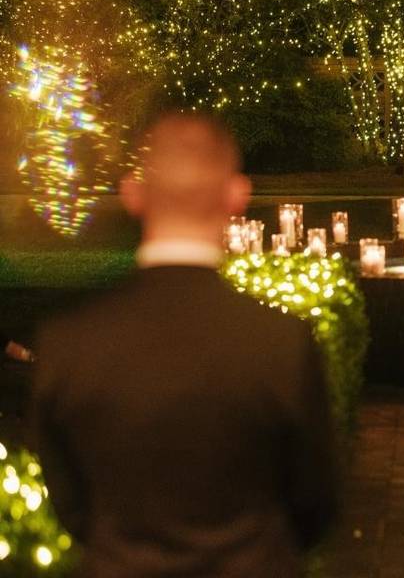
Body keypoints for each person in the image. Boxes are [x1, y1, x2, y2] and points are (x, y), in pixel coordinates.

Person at [30, 112, 338, 577]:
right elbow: (314, 503)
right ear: (237, 196)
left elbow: (71, 504)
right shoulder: (281, 343)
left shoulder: (67, 344)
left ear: (133, 194)